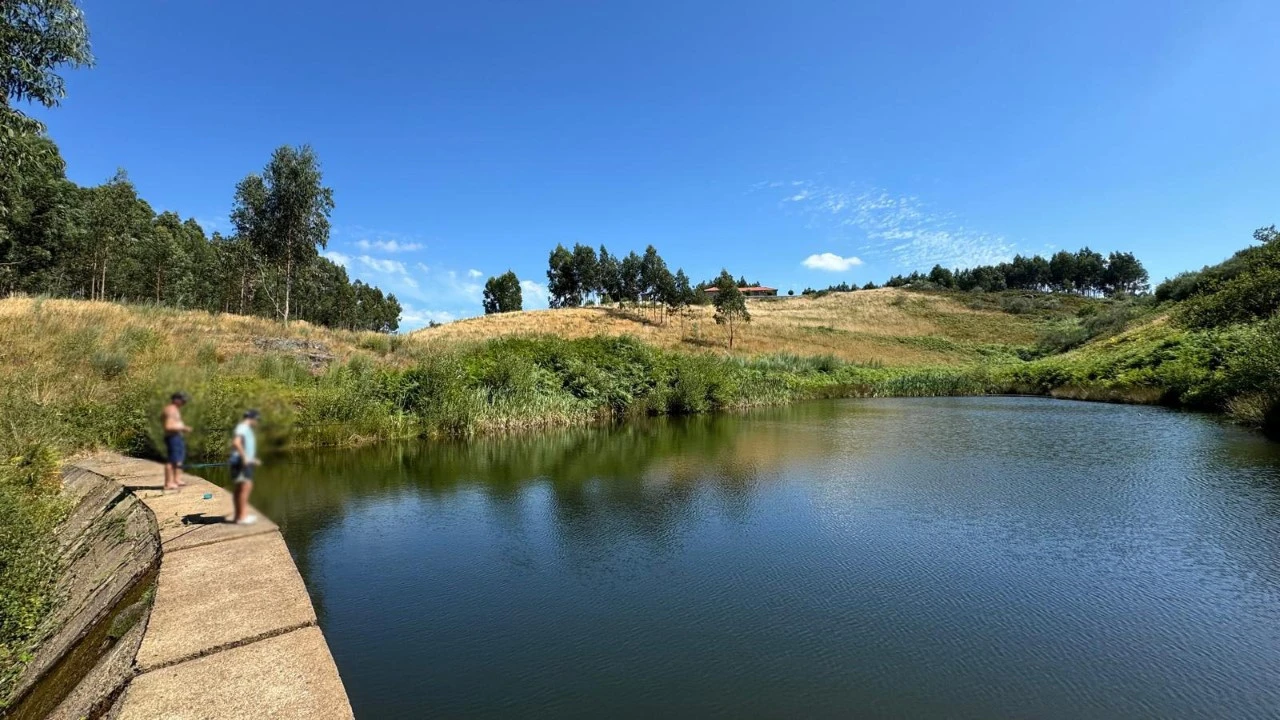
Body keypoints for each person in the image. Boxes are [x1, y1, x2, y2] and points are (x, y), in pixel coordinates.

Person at [229, 409, 261, 525]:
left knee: (240, 489)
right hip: (240, 463)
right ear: (253, 418)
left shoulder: (245, 428)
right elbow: (236, 442)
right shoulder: (243, 427)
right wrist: (244, 458)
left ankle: (239, 516)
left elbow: (245, 446)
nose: (257, 422)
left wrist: (251, 459)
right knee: (245, 487)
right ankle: (242, 517)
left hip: (241, 461)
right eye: (257, 420)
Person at [161, 392, 192, 491]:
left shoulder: (174, 409)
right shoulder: (170, 410)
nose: (184, 402)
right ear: (176, 400)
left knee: (178, 460)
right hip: (172, 438)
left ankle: (177, 479)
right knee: (171, 460)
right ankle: (168, 483)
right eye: (183, 400)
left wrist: (182, 428)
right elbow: (168, 426)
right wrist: (183, 428)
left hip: (177, 437)